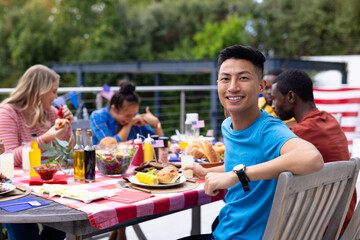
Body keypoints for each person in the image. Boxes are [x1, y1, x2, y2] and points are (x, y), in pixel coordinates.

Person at [182, 45, 323, 240]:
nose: (232, 86)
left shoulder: (268, 130)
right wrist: (206, 172)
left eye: (243, 78)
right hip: (227, 229)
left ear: (261, 86)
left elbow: (312, 158)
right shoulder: (227, 125)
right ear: (217, 84)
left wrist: (237, 176)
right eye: (225, 78)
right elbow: (245, 161)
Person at [271, 69, 356, 235]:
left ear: (290, 97)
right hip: (343, 222)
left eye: (275, 98)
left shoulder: (299, 134)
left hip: (317, 228)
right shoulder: (328, 120)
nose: (272, 105)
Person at [0, 64, 72, 240]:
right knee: (25, 232)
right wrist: (44, 139)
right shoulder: (8, 113)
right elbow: (7, 157)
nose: (56, 97)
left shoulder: (52, 113)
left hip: (45, 188)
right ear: (40, 90)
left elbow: (63, 153)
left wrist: (67, 126)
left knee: (65, 221)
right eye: (53, 92)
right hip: (13, 192)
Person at [90, 80, 163, 144]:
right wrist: (129, 124)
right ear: (114, 109)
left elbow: (161, 142)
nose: (132, 118)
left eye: (134, 114)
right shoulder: (98, 116)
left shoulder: (135, 117)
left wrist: (156, 124)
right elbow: (109, 146)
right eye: (127, 115)